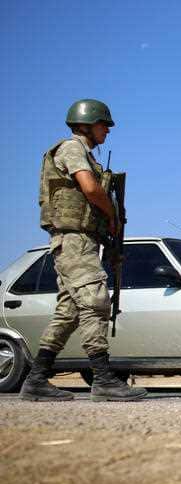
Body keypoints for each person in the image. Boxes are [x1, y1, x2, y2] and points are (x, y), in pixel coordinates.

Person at [20, 99, 147, 402]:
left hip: (80, 239)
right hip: (73, 238)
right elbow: (90, 189)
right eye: (104, 125)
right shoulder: (72, 148)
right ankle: (103, 380)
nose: (107, 131)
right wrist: (112, 215)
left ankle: (36, 379)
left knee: (68, 312)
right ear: (87, 123)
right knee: (95, 299)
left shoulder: (86, 154)